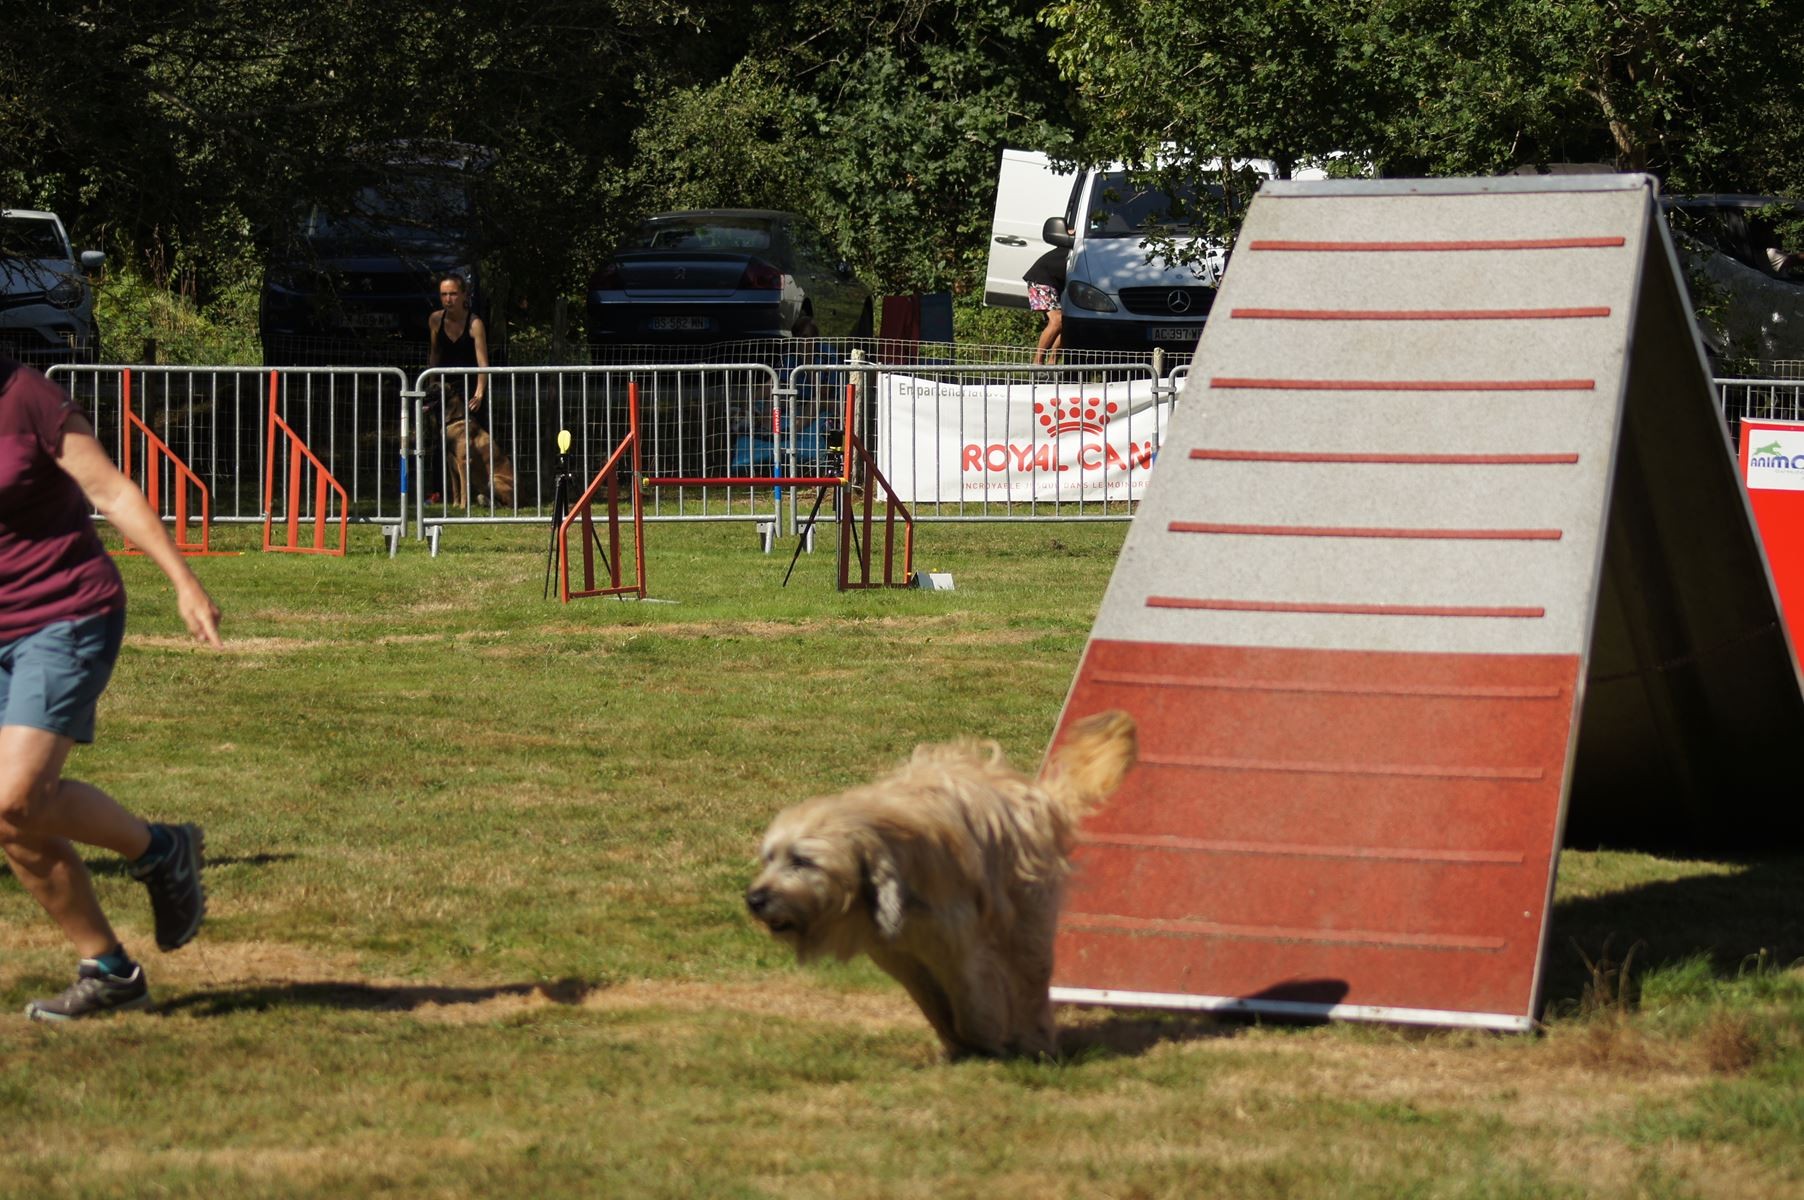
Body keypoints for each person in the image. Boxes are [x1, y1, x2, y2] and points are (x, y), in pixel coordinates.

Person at [0, 353, 222, 1021]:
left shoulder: (29, 398)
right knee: (12, 821)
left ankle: (160, 850)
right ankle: (110, 970)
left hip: (65, 612)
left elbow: (112, 491)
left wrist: (184, 581)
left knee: (14, 797)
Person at [424, 273, 490, 503]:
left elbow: (483, 363)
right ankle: (439, 492)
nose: (448, 299)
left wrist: (480, 392)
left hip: (468, 387)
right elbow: (434, 354)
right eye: (444, 294)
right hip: (443, 388)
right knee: (440, 441)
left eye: (453, 293)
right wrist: (431, 381)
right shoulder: (435, 320)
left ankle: (480, 491)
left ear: (464, 295)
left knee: (474, 443)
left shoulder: (475, 323)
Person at [1025, 247, 1066, 365]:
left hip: (1060, 284)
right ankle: (1037, 362)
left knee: (1069, 323)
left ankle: (1052, 363)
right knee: (1057, 320)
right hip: (1042, 279)